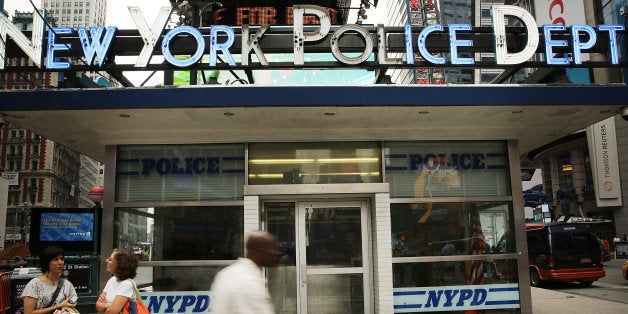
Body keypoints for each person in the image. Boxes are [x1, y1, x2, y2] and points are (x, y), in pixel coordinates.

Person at [210, 230, 281, 314]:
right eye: (273, 248)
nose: (277, 253)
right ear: (258, 250)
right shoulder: (248, 282)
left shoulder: (227, 273)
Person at [21, 246, 78, 314]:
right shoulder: (34, 284)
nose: (60, 262)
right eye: (56, 259)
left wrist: (68, 309)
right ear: (47, 262)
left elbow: (72, 305)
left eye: (62, 259)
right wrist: (57, 307)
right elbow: (28, 312)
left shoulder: (67, 285)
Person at [95, 249, 140, 313]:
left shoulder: (126, 284)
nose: (106, 260)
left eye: (110, 259)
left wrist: (105, 305)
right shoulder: (112, 280)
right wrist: (110, 305)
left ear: (120, 264)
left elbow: (112, 311)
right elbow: (98, 306)